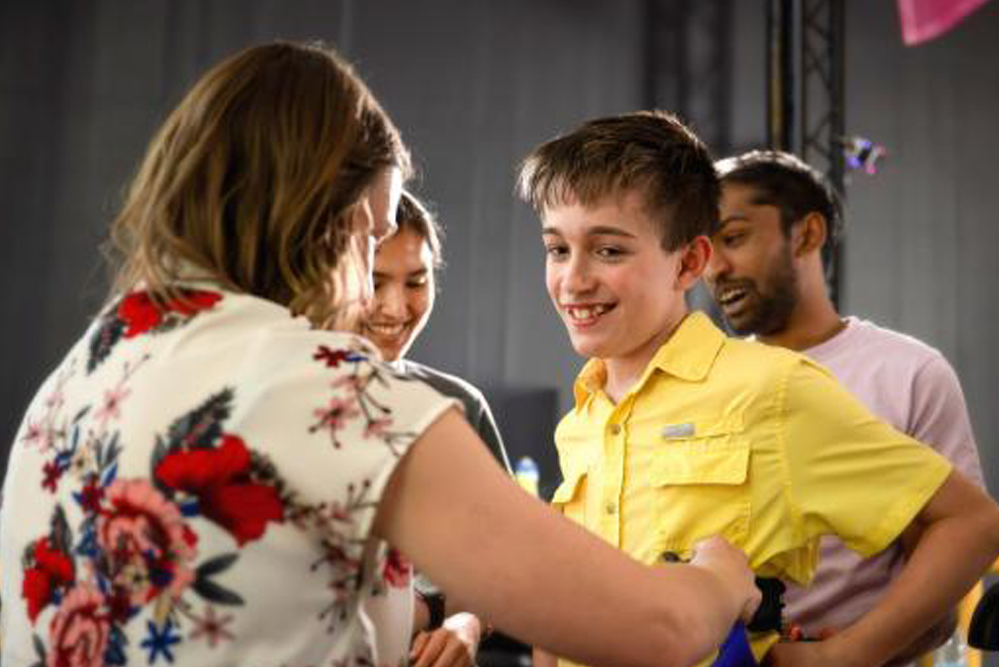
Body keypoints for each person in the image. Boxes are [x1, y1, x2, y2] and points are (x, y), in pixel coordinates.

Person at [0, 42, 761, 667]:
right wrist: (717, 580)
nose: (371, 282)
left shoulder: (90, 366)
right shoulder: (328, 390)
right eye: (370, 235)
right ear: (322, 218)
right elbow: (654, 629)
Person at [517, 110, 999, 667]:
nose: (573, 279)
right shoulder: (582, 419)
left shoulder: (771, 390)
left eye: (609, 250)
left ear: (689, 262)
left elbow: (972, 522)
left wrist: (844, 656)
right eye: (557, 249)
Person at [703, 149, 987, 663]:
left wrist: (850, 654)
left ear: (807, 235)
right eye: (704, 247)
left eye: (734, 237)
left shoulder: (909, 373)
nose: (715, 267)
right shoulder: (704, 379)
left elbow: (953, 556)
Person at [357, 191, 512, 667]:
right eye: (375, 281)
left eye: (416, 282)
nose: (395, 307)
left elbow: (506, 567)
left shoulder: (459, 405)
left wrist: (467, 621)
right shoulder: (286, 400)